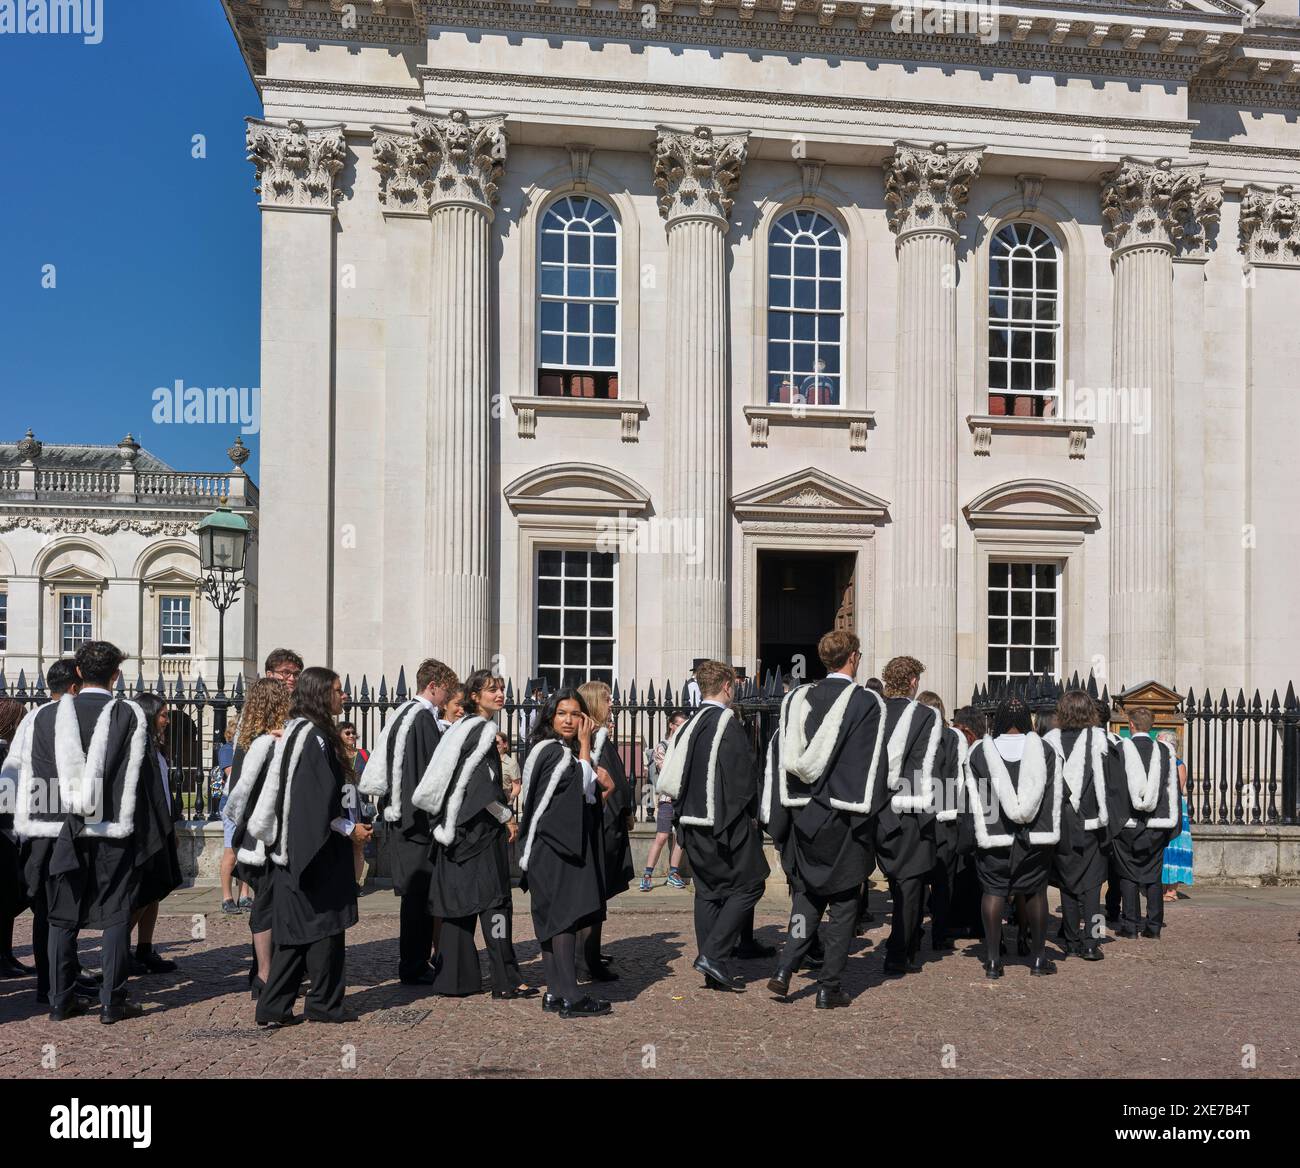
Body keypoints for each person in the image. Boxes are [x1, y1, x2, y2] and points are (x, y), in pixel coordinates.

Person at [16, 641, 166, 1022]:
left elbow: (31, 774)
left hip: (56, 829)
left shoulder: (42, 717)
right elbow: (144, 779)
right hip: (112, 829)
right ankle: (112, 1003)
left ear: (78, 673)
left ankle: (59, 1000)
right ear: (116, 674)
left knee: (60, 916)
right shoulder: (129, 715)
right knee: (116, 914)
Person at [762, 630, 884, 1009]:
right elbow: (871, 763)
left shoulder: (798, 697)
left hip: (803, 813)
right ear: (852, 657)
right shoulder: (866, 702)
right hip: (846, 815)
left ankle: (785, 969)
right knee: (845, 902)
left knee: (808, 898)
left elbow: (783, 753)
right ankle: (828, 985)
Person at [250, 667, 367, 1027]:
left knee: (301, 934)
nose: (342, 696)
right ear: (320, 694)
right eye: (336, 690)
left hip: (297, 850)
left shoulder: (301, 732)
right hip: (314, 850)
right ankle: (324, 1004)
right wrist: (351, 829)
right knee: (326, 928)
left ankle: (277, 1006)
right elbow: (318, 800)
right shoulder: (313, 736)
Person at [412, 669, 530, 999]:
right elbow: (483, 788)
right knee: (495, 904)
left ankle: (455, 980)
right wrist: (507, 816)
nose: (500, 693)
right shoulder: (481, 731)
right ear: (474, 696)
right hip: (477, 833)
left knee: (458, 907)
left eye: (502, 687)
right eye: (492, 689)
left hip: (454, 832)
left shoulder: (459, 728)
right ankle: (505, 980)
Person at [656, 660, 768, 993]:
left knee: (708, 892)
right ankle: (714, 957)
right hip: (723, 825)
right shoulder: (725, 722)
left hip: (689, 822)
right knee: (751, 885)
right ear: (727, 686)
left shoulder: (689, 724)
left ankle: (711, 965)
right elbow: (743, 775)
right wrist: (753, 814)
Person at [358, 658, 456, 985]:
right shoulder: (423, 719)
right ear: (432, 686)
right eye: (445, 691)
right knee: (418, 898)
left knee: (415, 898)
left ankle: (414, 961)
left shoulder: (405, 713)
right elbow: (431, 773)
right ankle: (414, 964)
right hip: (417, 823)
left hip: (404, 818)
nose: (447, 698)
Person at [519, 688, 611, 1018]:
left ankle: (554, 992)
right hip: (558, 846)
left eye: (575, 713)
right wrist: (586, 747)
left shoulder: (541, 750)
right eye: (562, 713)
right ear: (550, 716)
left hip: (543, 846)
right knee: (564, 921)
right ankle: (572, 997)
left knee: (549, 919)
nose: (570, 720)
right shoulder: (558, 753)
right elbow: (582, 794)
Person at [961, 696, 1062, 978]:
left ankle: (993, 960)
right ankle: (1039, 959)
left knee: (993, 891)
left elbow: (974, 797)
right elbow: (1054, 793)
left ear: (999, 720)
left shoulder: (980, 751)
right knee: (1035, 892)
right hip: (1035, 835)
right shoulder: (1045, 749)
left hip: (995, 833)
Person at [221, 677, 294, 998]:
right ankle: (267, 974)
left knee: (263, 905)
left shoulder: (246, 742)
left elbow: (233, 792)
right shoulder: (271, 742)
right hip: (270, 834)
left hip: (249, 833)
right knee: (271, 905)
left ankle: (263, 972)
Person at [873, 656, 942, 975]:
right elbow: (931, 766)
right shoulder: (926, 715)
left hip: (875, 804)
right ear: (913, 681)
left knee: (892, 880)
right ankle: (901, 951)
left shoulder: (875, 710)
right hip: (911, 804)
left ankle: (904, 944)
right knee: (910, 883)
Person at [1042, 689, 1111, 961]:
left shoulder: (1049, 742)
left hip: (1062, 819)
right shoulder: (1101, 741)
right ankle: (1092, 942)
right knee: (1092, 886)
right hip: (1093, 820)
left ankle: (1071, 940)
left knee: (1068, 883)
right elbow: (1113, 783)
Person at [1105, 706, 1181, 939]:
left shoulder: (1119, 750)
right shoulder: (1165, 751)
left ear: (1131, 725)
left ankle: (1130, 925)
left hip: (1127, 823)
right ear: (1152, 725)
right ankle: (1154, 925)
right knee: (1153, 874)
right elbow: (1172, 788)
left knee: (1127, 874)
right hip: (1158, 823)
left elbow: (1113, 788)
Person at [576, 679, 634, 981]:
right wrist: (621, 812)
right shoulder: (596, 737)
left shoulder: (599, 735)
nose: (612, 703)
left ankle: (590, 954)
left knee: (596, 896)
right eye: (607, 699)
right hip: (602, 826)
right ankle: (586, 962)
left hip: (607, 822)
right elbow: (604, 782)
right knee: (593, 896)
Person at [128, 692, 184, 976]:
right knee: (143, 891)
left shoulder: (157, 747)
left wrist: (171, 825)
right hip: (145, 830)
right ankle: (122, 949)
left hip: (162, 827)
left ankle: (144, 948)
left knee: (156, 892)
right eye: (163, 715)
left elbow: (164, 790)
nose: (167, 720)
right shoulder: (137, 746)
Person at [917, 690, 964, 953]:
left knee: (916, 879)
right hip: (946, 813)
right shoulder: (951, 738)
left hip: (920, 812)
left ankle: (913, 932)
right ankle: (940, 934)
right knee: (944, 880)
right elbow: (958, 776)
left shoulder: (918, 736)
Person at [0, 697, 33, 979]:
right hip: (5, 834)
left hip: (9, 832)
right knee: (9, 896)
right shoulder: (4, 753)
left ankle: (6, 954)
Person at [641, 711, 688, 891]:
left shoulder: (685, 745)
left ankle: (673, 873)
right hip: (668, 798)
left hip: (683, 798)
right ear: (671, 725)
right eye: (679, 724)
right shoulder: (662, 747)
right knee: (662, 835)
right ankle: (647, 874)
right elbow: (666, 770)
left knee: (680, 838)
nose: (682, 728)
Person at [217, 724, 250, 914]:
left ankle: (244, 895)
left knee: (245, 852)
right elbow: (233, 774)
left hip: (245, 804)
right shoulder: (228, 749)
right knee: (231, 852)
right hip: (231, 804)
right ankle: (227, 897)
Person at [1159, 730, 1192, 902]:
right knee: (1164, 847)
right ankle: (1164, 885)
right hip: (1162, 806)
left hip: (1176, 806)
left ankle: (1172, 890)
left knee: (1175, 845)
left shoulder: (1179, 764)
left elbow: (1178, 786)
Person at [338, 721, 371, 885]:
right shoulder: (335, 755)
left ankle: (355, 883)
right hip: (341, 802)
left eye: (353, 733)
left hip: (359, 804)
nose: (351, 736)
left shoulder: (364, 754)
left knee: (358, 845)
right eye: (347, 733)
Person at [495, 731, 521, 800]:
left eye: (497, 743)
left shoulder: (511, 763)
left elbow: (517, 787)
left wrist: (509, 799)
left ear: (505, 744)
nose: (494, 746)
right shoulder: (487, 761)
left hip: (504, 804)